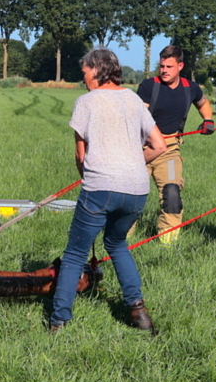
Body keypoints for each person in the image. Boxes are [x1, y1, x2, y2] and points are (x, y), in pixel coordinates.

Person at [49, 48, 167, 333]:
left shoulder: (86, 102)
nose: (84, 78)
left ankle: (58, 320)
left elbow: (81, 156)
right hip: (137, 190)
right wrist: (131, 165)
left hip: (100, 187)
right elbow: (160, 146)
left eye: (85, 72)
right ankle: (138, 311)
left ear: (97, 69)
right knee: (116, 244)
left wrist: (89, 178)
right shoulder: (133, 99)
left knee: (75, 254)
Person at [135, 45, 215, 244]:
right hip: (140, 151)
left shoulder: (190, 88)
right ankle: (122, 238)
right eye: (162, 66)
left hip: (169, 150)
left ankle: (167, 243)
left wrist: (208, 120)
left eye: (169, 66)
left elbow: (203, 103)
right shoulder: (148, 86)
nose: (164, 70)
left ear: (180, 66)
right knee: (131, 195)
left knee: (172, 192)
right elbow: (139, 118)